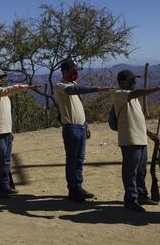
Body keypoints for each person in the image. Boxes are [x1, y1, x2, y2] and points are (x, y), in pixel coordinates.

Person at [55, 59, 113, 203]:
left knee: (79, 161)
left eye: (77, 71)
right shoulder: (61, 86)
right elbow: (75, 90)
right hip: (71, 128)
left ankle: (78, 188)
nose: (76, 73)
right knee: (72, 161)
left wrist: (86, 125)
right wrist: (97, 89)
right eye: (73, 71)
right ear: (64, 72)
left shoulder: (73, 85)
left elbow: (79, 107)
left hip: (80, 127)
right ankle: (73, 190)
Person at [0, 69, 40, 198]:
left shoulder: (2, 94)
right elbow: (9, 90)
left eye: (2, 77)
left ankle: (5, 186)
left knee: (5, 160)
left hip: (6, 131)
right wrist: (25, 87)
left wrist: (10, 131)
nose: (2, 79)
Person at [111, 69, 160, 212]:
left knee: (141, 171)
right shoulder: (119, 94)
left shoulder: (134, 100)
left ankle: (141, 195)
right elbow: (136, 93)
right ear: (122, 82)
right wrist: (157, 88)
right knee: (130, 171)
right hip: (130, 139)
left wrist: (150, 134)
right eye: (130, 79)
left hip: (141, 138)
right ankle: (131, 199)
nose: (133, 81)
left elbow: (138, 121)